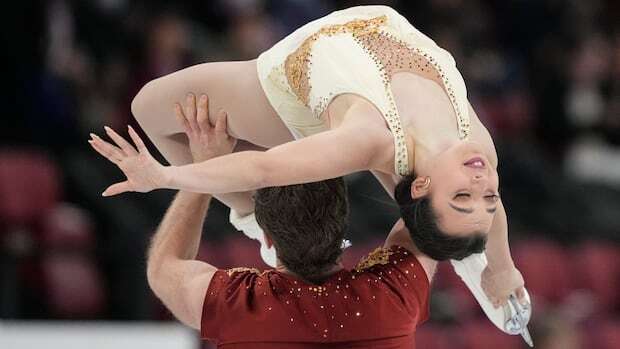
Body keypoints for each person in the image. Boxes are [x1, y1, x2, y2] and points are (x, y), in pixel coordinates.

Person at [89, 5, 528, 323]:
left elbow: (263, 170)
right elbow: (493, 208)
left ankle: (252, 219)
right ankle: (467, 255)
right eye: (483, 194)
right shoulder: (478, 151)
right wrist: (504, 269)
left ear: (424, 186)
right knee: (456, 211)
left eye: (462, 195)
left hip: (296, 85)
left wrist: (165, 176)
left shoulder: (367, 137)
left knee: (149, 107)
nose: (480, 179)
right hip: (350, 49)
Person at [142, 97, 434, 348]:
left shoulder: (237, 305)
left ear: (267, 237)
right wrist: (368, 145)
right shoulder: (391, 296)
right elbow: (433, 204)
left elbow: (163, 267)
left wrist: (203, 167)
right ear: (342, 223)